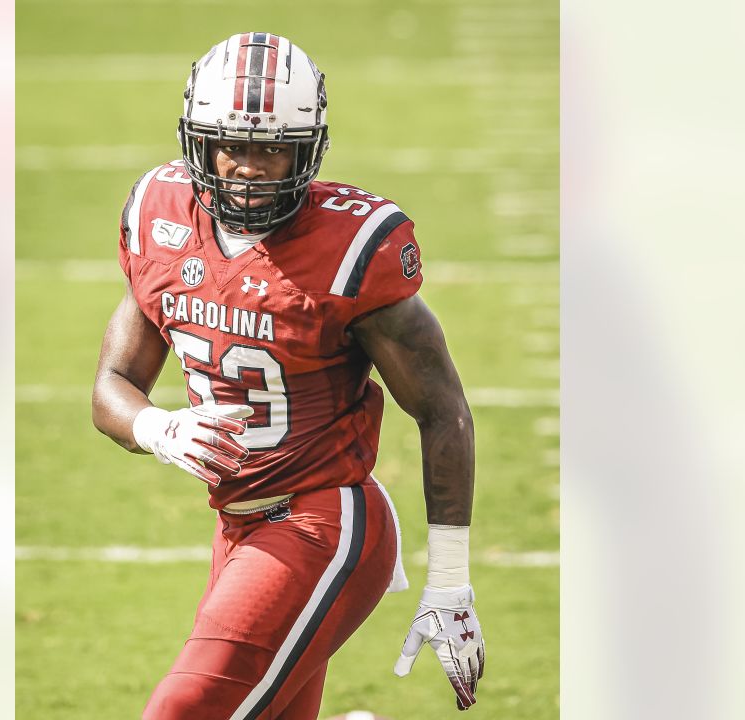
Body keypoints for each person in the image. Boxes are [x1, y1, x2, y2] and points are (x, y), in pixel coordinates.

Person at [92, 32, 484, 719]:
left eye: (271, 148)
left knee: (180, 712)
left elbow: (442, 409)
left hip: (321, 523)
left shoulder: (352, 248)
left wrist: (449, 581)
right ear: (198, 142)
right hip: (238, 528)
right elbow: (112, 386)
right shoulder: (160, 216)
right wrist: (157, 427)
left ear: (307, 152)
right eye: (231, 146)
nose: (247, 168)